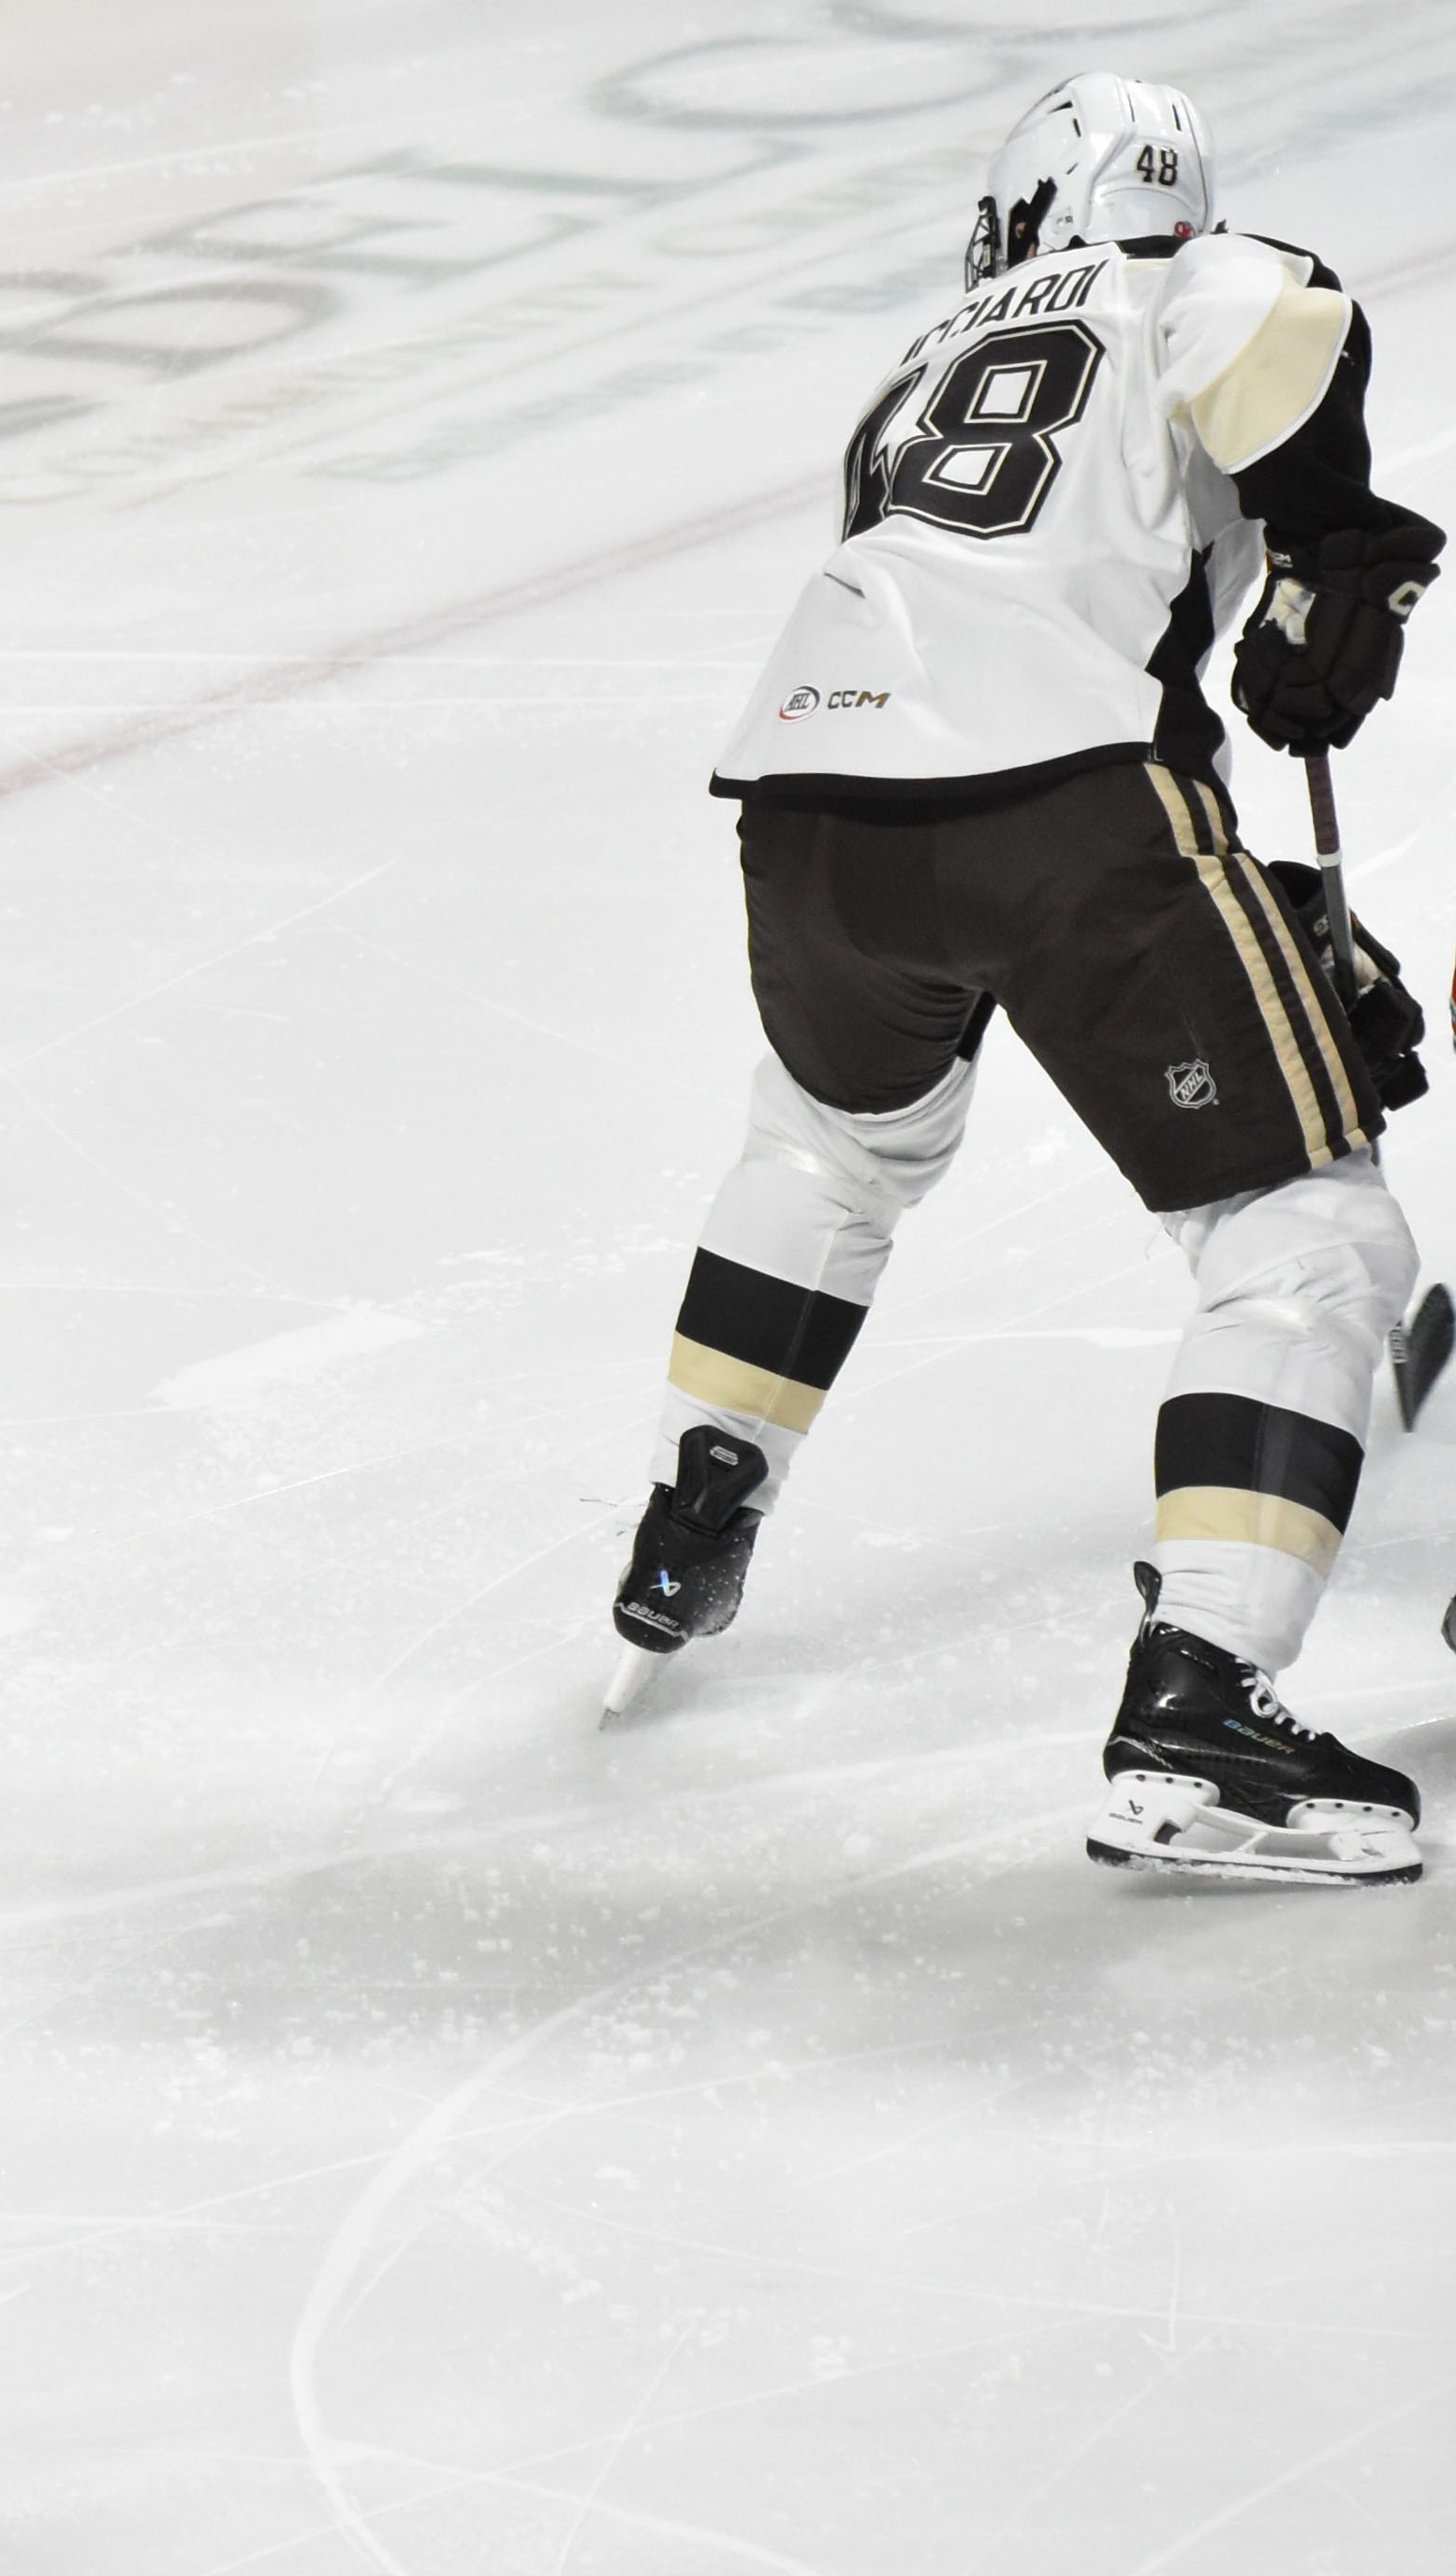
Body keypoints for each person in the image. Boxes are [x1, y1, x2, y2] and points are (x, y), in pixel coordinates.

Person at [617, 73, 1441, 1884]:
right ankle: (1200, 1710)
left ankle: (693, 1505)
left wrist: (1253, 916)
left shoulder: (912, 371)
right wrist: (1337, 550)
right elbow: (1277, 336)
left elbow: (1009, 626)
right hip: (1065, 814)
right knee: (1306, 1236)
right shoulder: (1189, 273)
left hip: (806, 812)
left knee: (830, 1147)